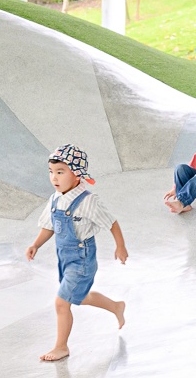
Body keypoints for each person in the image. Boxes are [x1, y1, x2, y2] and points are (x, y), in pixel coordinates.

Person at [26, 144, 128, 362]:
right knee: (79, 297)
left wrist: (120, 246)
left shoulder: (88, 201)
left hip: (82, 259)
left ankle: (61, 347)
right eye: (51, 172)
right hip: (64, 259)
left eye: (60, 172)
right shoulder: (55, 198)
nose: (54, 177)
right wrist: (36, 244)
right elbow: (49, 226)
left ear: (77, 174)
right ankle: (116, 307)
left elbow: (112, 223)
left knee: (61, 303)